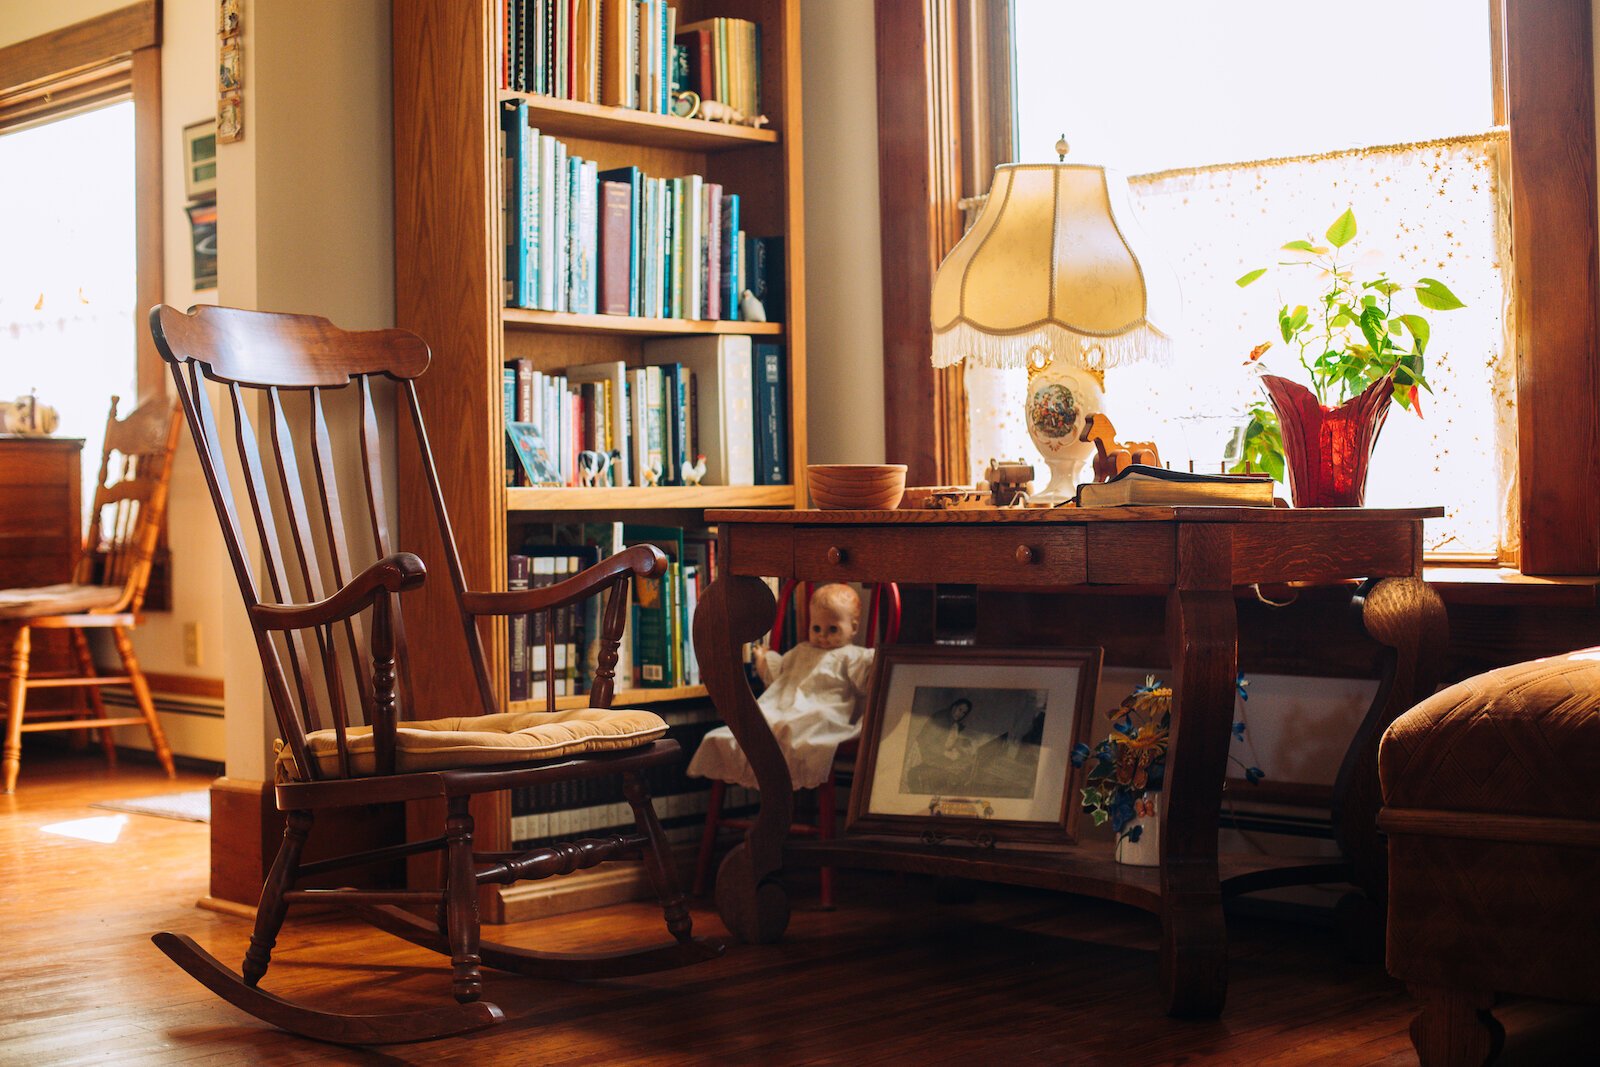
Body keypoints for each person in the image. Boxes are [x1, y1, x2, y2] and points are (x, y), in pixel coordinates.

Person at [688, 584, 875, 790]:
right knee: (762, 725)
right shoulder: (802, 650)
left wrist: (873, 668)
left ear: (854, 628)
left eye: (833, 629)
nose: (823, 636)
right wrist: (763, 659)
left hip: (824, 710)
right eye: (816, 628)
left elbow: (867, 678)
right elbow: (779, 674)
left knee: (805, 726)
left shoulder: (852, 656)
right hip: (783, 706)